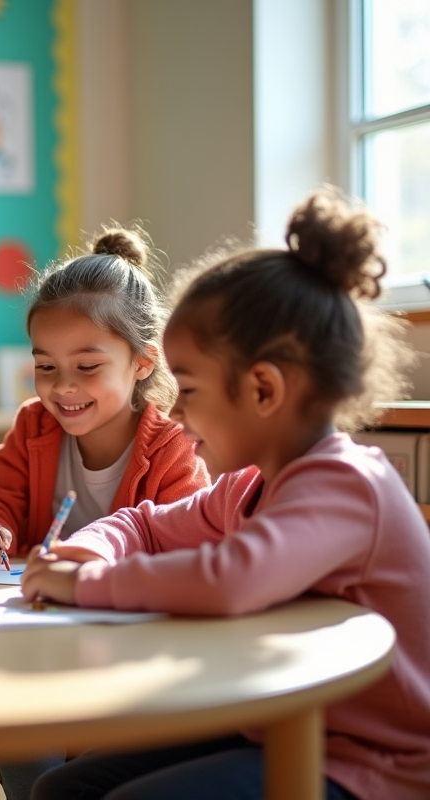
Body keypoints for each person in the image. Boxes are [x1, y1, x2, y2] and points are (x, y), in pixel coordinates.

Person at [24, 190, 430, 800]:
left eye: (189, 390)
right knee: (60, 790)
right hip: (279, 721)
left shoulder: (347, 484)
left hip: (372, 763)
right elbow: (145, 524)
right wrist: (89, 549)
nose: (175, 414)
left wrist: (85, 585)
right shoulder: (248, 485)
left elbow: (231, 579)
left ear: (263, 390)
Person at [0, 227, 210, 798]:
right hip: (37, 644)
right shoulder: (32, 425)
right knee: (19, 726)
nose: (62, 388)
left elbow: (187, 553)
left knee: (93, 765)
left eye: (87, 367)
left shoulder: (173, 448)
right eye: (45, 367)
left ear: (143, 363)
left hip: (132, 657)